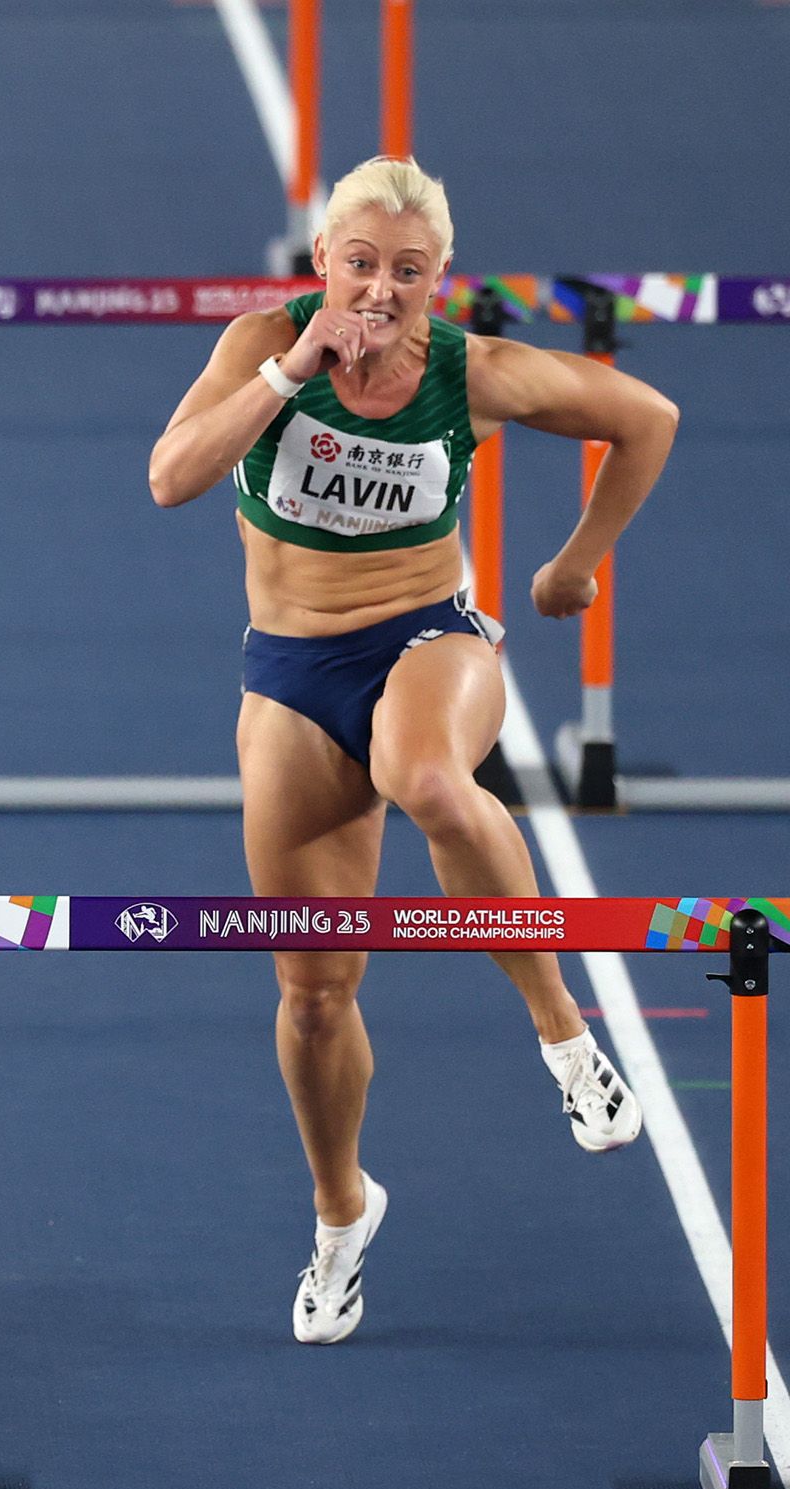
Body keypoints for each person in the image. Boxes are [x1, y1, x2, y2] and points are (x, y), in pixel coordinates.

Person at [149, 156, 680, 1343]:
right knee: (315, 992)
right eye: (359, 263)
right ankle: (343, 1212)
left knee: (428, 775)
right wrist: (291, 373)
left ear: (442, 278)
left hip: (429, 636)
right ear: (321, 262)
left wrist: (576, 563)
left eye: (407, 270)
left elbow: (646, 420)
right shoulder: (257, 347)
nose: (380, 289)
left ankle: (563, 1033)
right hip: (289, 671)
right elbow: (169, 477)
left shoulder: (471, 371)